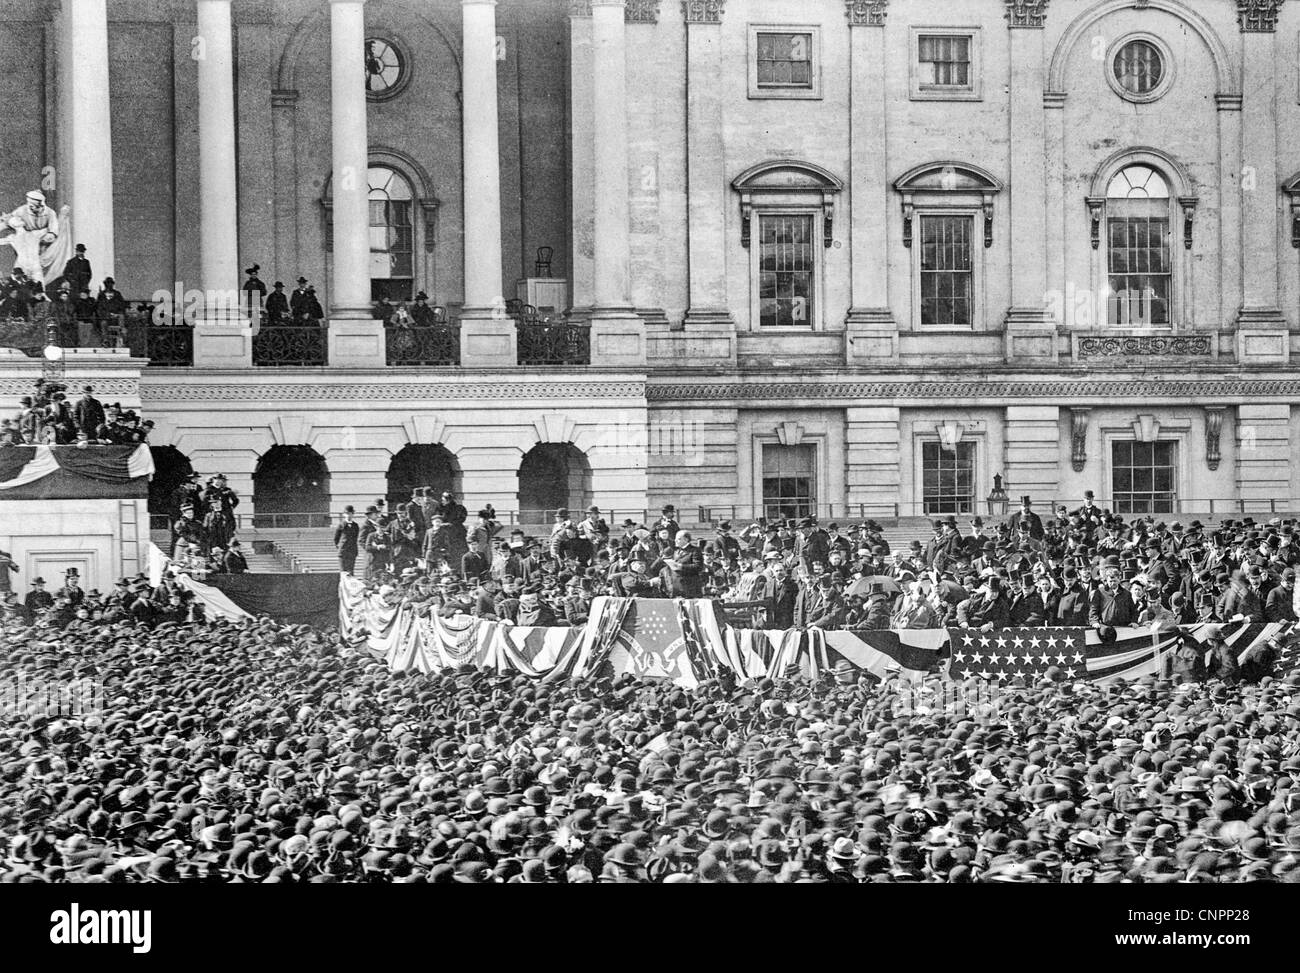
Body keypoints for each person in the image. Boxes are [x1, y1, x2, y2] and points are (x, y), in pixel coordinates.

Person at [335, 506, 360, 575]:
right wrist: (340, 547)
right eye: (346, 513)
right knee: (343, 572)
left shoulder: (355, 525)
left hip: (352, 551)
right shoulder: (341, 525)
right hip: (343, 551)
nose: (348, 515)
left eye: (350, 513)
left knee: (351, 572)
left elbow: (355, 538)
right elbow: (336, 538)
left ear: (353, 514)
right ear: (344, 514)